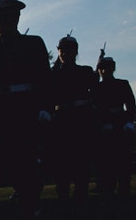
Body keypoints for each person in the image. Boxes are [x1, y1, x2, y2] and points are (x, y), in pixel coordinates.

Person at [0, 0, 50, 218]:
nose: (2, 24)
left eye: (6, 19)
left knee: (27, 158)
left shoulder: (32, 43)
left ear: (17, 19)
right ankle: (24, 196)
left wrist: (44, 106)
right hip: (3, 112)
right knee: (9, 159)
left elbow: (44, 78)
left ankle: (31, 203)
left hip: (26, 109)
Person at [48, 34, 96, 203]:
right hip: (60, 123)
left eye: (69, 50)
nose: (65, 53)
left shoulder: (85, 72)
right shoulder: (51, 75)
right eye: (62, 50)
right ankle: (63, 197)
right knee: (61, 164)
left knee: (81, 163)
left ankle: (80, 196)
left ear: (75, 52)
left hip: (81, 122)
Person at [92, 56, 136, 199]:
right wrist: (103, 122)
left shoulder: (122, 84)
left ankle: (124, 190)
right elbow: (95, 108)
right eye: (102, 68)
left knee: (123, 160)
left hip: (120, 124)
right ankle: (108, 190)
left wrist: (129, 121)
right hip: (104, 127)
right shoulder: (96, 88)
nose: (104, 71)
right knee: (106, 161)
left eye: (108, 68)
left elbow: (130, 104)